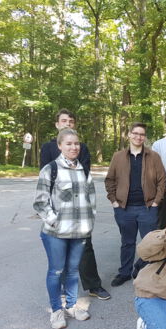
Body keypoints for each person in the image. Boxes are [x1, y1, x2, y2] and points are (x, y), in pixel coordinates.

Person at [40, 109, 110, 301]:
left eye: (71, 121)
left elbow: (84, 175)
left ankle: (94, 286)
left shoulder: (82, 148)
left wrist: (90, 214)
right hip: (59, 212)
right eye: (63, 121)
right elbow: (45, 179)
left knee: (86, 250)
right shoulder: (48, 148)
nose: (67, 124)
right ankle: (63, 295)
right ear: (57, 124)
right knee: (60, 258)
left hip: (80, 211)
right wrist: (53, 218)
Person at [34, 128, 96, 329]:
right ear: (60, 146)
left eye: (76, 143)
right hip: (55, 233)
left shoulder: (84, 170)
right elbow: (41, 202)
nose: (74, 147)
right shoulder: (50, 169)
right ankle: (56, 311)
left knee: (72, 271)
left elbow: (91, 200)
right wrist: (55, 221)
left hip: (79, 232)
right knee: (56, 271)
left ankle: (71, 306)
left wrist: (89, 223)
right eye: (68, 143)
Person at [105, 122, 166, 287]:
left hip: (147, 208)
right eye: (136, 133)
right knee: (127, 242)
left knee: (150, 243)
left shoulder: (153, 156)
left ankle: (146, 273)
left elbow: (162, 180)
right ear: (129, 135)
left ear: (144, 137)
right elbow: (110, 179)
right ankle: (124, 273)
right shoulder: (118, 157)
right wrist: (114, 201)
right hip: (124, 209)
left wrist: (156, 202)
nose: (139, 137)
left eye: (142, 134)